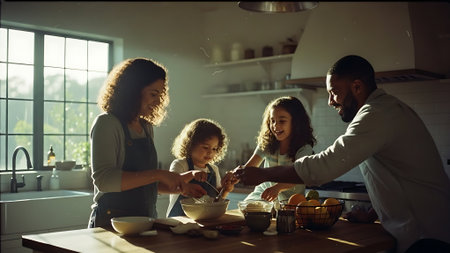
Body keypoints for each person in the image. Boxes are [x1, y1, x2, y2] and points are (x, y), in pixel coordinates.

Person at [234, 55, 450, 253]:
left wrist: (263, 174)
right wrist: (373, 214)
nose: (330, 101)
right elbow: (396, 176)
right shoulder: (384, 110)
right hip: (420, 232)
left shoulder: (376, 114)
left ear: (357, 86)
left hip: (427, 238)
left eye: (334, 92)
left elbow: (323, 167)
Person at [88, 57, 206, 228]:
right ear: (133, 91)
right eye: (153, 94)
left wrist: (180, 186)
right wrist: (159, 174)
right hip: (112, 223)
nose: (158, 102)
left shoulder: (145, 127)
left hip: (145, 220)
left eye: (160, 95)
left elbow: (144, 183)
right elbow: (104, 180)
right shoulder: (107, 123)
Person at [241, 96, 316, 203]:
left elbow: (298, 175)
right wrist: (235, 175)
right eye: (272, 121)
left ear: (296, 122)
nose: (275, 126)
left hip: (291, 200)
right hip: (263, 194)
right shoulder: (266, 143)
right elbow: (250, 168)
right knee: (249, 210)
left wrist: (277, 188)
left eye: (282, 121)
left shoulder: (304, 149)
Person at [167, 118, 239, 217]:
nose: (210, 152)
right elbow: (172, 184)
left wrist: (226, 189)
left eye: (214, 149)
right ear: (190, 145)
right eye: (205, 147)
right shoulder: (180, 164)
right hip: (180, 221)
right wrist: (192, 174)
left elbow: (217, 200)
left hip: (206, 220)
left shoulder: (213, 170)